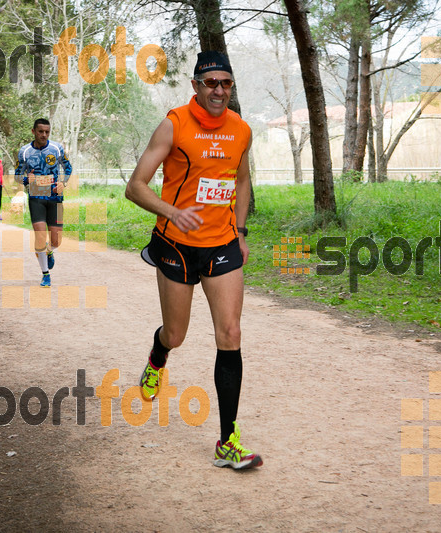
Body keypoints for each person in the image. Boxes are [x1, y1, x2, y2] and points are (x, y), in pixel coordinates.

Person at [125, 51, 261, 470]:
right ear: (195, 86)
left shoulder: (242, 130)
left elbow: (241, 181)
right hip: (176, 245)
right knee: (177, 333)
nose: (219, 90)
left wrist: (239, 232)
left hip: (221, 244)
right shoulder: (174, 124)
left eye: (225, 83)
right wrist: (171, 212)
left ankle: (227, 441)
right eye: (211, 83)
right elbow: (135, 186)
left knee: (231, 332)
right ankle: (158, 354)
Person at [14, 118, 72, 287]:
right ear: (33, 132)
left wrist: (64, 182)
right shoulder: (24, 152)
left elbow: (68, 168)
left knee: (56, 241)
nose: (44, 135)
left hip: (55, 198)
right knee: (40, 236)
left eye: (47, 132)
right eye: (40, 131)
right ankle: (45, 274)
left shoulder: (56, 148)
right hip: (36, 197)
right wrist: (26, 179)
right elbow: (17, 175)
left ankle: (48, 252)